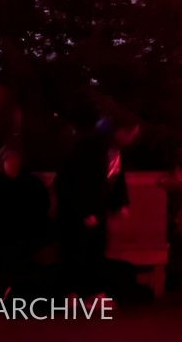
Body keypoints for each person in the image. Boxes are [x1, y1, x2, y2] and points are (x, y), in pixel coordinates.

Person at [55, 114, 139, 297]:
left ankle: (91, 292)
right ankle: (73, 293)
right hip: (76, 212)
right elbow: (75, 182)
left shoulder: (113, 149)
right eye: (131, 133)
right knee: (77, 252)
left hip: (96, 209)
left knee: (96, 251)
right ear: (120, 132)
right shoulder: (89, 148)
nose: (133, 138)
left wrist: (120, 203)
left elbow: (115, 177)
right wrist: (84, 212)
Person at [0, 142, 50, 303]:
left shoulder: (32, 184)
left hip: (27, 230)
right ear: (1, 162)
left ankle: (15, 289)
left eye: (15, 158)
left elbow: (41, 209)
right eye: (7, 159)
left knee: (23, 247)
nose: (11, 162)